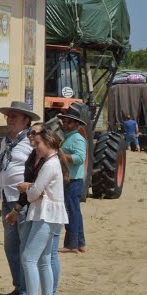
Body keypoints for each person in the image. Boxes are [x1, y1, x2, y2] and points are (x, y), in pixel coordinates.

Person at [13, 128, 66, 295]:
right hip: (48, 214)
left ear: (49, 143)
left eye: (38, 144)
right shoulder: (53, 162)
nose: (35, 147)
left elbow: (34, 193)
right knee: (43, 259)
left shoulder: (49, 164)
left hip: (46, 215)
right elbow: (37, 191)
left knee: (28, 257)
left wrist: (27, 187)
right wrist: (34, 189)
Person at [0, 101, 37, 295]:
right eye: (8, 116)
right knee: (10, 245)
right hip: (6, 197)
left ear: (26, 120)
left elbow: (38, 166)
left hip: (22, 199)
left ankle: (27, 291)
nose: (10, 119)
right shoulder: (6, 140)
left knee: (23, 245)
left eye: (14, 116)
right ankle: (19, 286)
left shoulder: (31, 141)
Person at [58, 105, 88, 253]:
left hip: (73, 180)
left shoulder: (77, 139)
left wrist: (63, 156)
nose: (65, 124)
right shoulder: (70, 138)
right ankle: (80, 243)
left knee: (71, 211)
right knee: (75, 211)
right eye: (64, 121)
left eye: (68, 122)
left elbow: (80, 158)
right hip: (72, 180)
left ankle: (71, 245)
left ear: (76, 124)